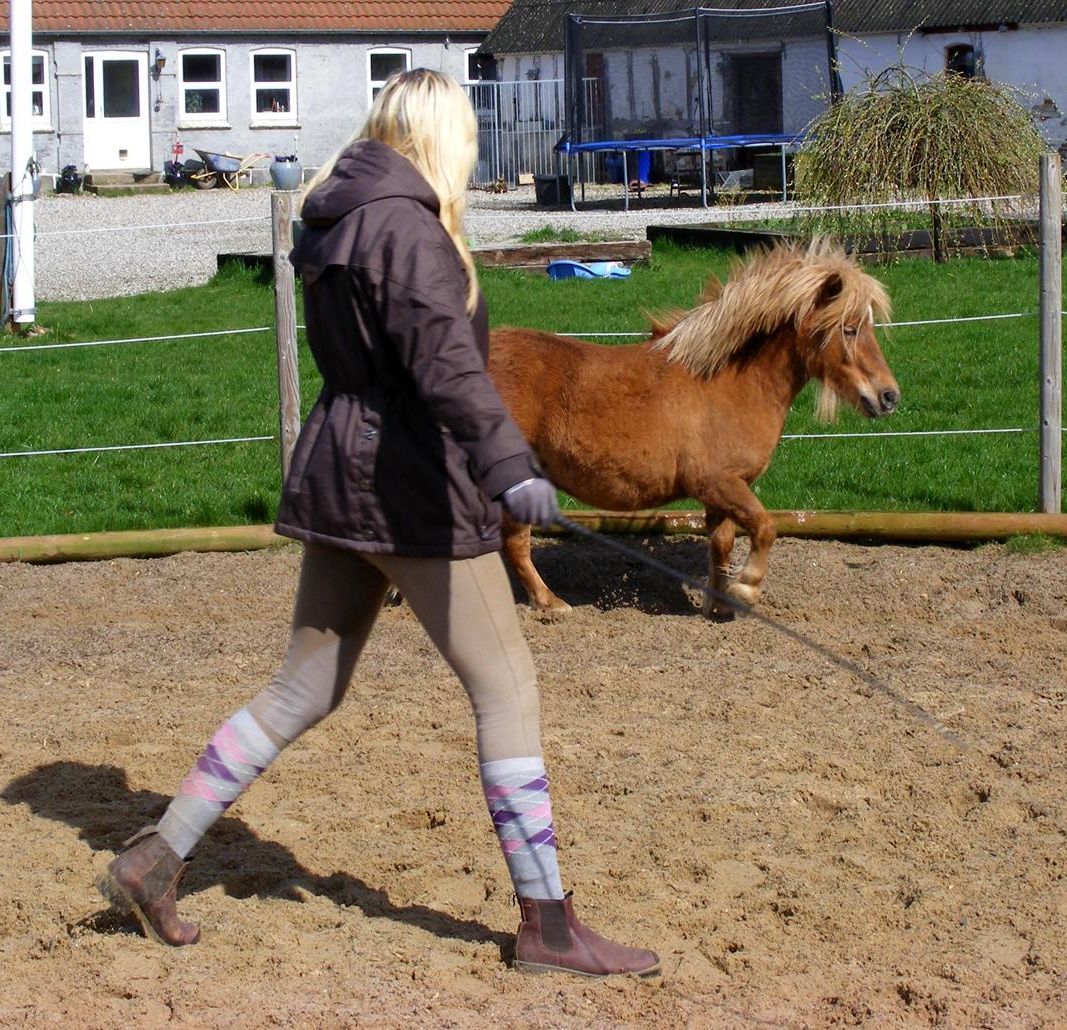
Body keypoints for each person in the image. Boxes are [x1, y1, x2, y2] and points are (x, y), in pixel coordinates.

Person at [96, 68, 659, 979]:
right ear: (443, 135)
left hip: (342, 473)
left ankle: (158, 854)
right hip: (411, 487)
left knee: (303, 688)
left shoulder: (340, 213)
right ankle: (549, 925)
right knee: (507, 686)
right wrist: (513, 469)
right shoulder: (409, 229)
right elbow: (447, 370)